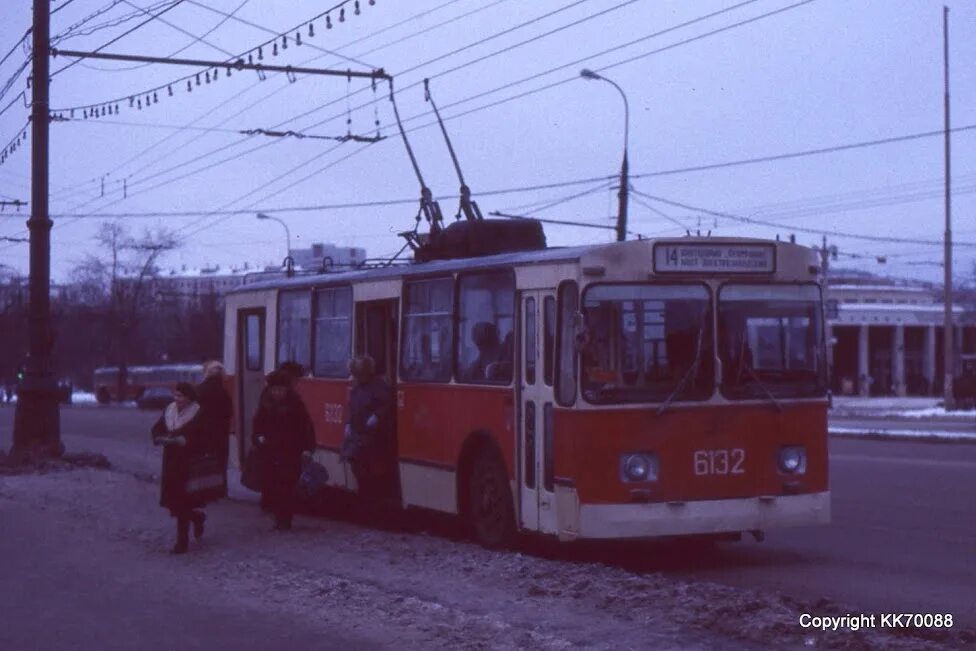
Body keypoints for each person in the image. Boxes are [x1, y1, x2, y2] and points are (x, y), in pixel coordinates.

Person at [150, 382, 211, 554]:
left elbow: (204, 438)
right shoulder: (169, 410)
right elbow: (157, 428)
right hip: (171, 461)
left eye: (181, 396)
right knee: (174, 503)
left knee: (182, 502)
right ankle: (197, 517)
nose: (177, 399)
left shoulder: (198, 412)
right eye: (175, 395)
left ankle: (182, 543)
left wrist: (187, 442)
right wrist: (158, 438)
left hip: (189, 462)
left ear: (189, 397)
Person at [252, 370, 315, 530]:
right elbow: (257, 425)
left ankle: (285, 518)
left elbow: (306, 427)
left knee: (287, 485)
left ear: (287, 390)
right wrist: (258, 438)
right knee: (274, 484)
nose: (278, 393)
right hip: (270, 450)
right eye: (275, 390)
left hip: (290, 450)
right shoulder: (265, 403)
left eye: (281, 390)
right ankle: (278, 516)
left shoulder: (296, 404)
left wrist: (307, 448)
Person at [341, 355, 395, 505]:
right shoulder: (357, 388)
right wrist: (348, 424)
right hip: (358, 432)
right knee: (356, 465)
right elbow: (352, 408)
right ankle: (364, 497)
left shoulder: (378, 386)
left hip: (372, 434)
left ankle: (370, 499)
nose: (357, 378)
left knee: (368, 469)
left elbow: (386, 405)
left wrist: (376, 416)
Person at [196, 360, 232, 499]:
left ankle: (204, 490)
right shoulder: (222, 392)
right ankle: (219, 490)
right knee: (220, 461)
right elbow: (229, 412)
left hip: (203, 432)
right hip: (220, 433)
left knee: (203, 460)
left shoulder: (199, 390)